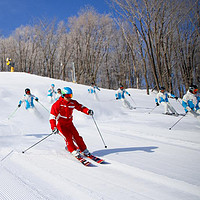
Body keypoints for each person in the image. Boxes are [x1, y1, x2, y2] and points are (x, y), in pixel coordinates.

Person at [49, 87, 94, 158]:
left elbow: (80, 107)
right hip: (61, 125)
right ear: (63, 95)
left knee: (77, 137)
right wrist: (53, 127)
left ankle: (84, 149)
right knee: (68, 138)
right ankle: (72, 150)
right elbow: (52, 117)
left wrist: (87, 111)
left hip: (69, 124)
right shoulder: (57, 104)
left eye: (70, 96)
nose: (69, 98)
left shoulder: (72, 103)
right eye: (67, 96)